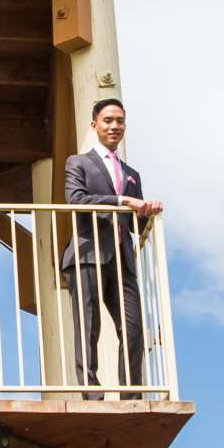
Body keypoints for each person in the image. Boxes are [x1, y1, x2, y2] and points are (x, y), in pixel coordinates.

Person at [60, 96, 158, 389]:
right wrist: (121, 200)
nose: (115, 126)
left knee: (133, 327)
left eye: (120, 121)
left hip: (122, 258)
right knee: (89, 324)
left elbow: (135, 224)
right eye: (108, 120)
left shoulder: (131, 174)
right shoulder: (78, 162)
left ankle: (131, 392)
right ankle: (90, 390)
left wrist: (147, 211)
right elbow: (76, 199)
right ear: (95, 125)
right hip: (88, 252)